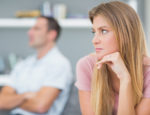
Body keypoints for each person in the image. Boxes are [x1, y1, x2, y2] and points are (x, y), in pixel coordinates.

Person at [75, 1, 150, 115]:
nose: (94, 40)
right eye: (94, 32)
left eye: (103, 31)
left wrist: (125, 79)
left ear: (125, 34)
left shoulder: (148, 72)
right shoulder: (87, 65)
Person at [0, 16, 73, 115]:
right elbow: (2, 101)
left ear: (51, 35)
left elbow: (40, 106)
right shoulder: (24, 64)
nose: (29, 32)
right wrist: (25, 96)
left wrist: (13, 100)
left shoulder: (59, 64)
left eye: (36, 29)